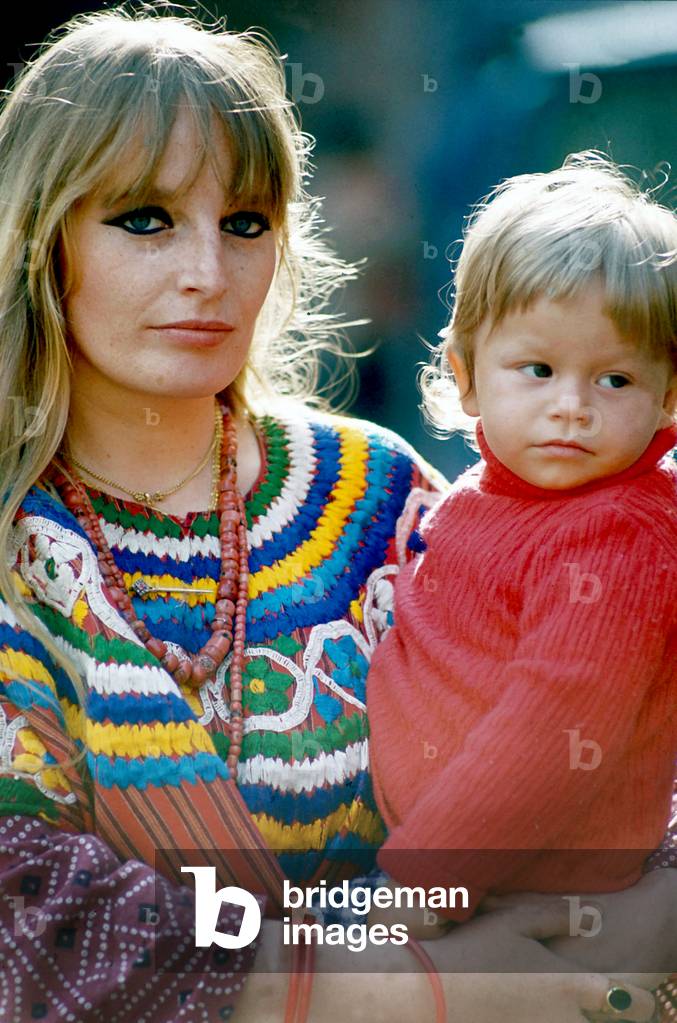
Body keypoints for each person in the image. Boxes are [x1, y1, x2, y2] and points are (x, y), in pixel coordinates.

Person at [0, 10, 671, 1023]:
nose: (206, 271)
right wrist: (401, 986)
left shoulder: (375, 495)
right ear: (38, 237)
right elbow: (29, 916)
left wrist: (629, 943)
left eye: (245, 222)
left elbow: (611, 732)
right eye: (143, 218)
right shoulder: (17, 549)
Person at [368, 154, 677, 922]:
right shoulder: (488, 495)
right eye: (537, 368)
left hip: (529, 897)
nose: (571, 405)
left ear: (667, 395)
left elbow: (552, 729)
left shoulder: (619, 535)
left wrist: (426, 878)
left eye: (614, 379)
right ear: (466, 375)